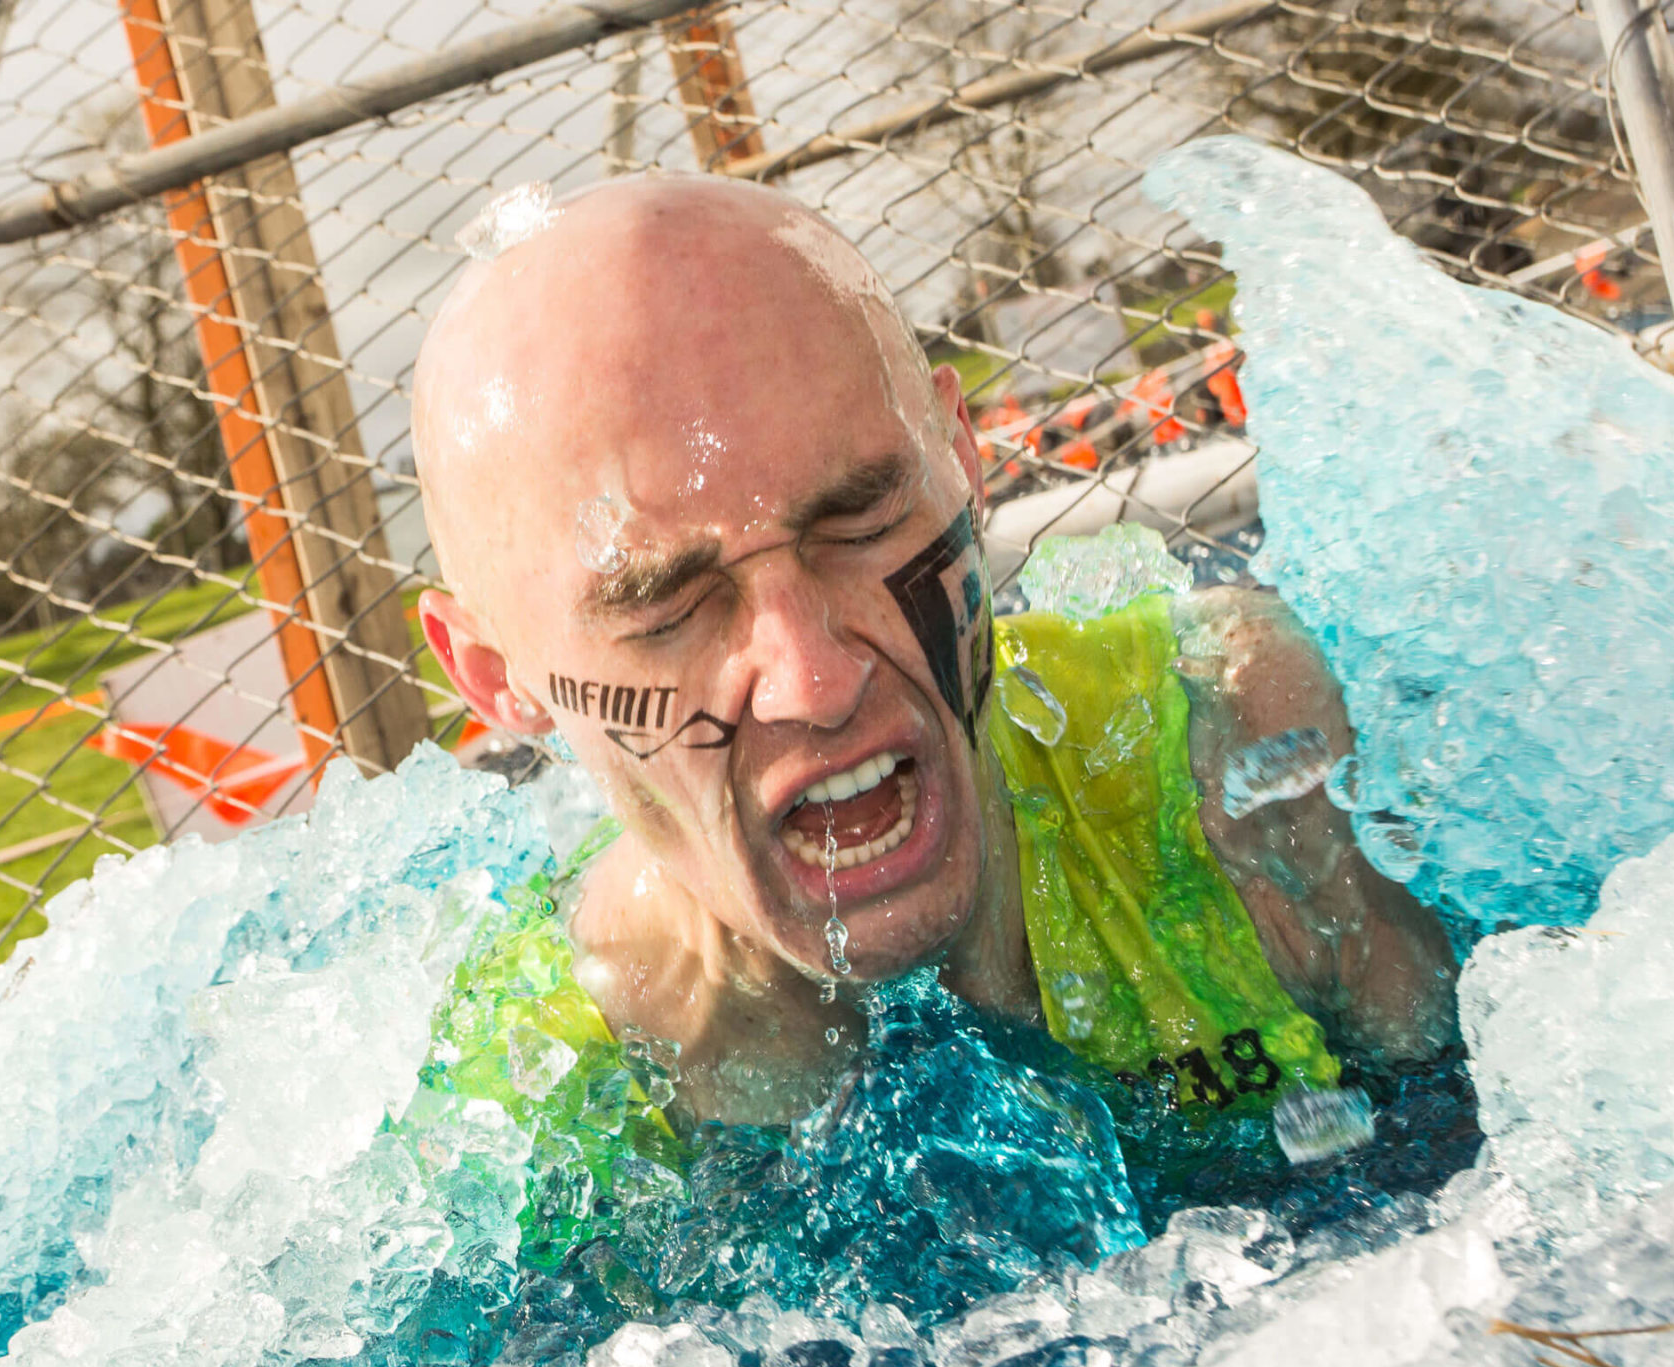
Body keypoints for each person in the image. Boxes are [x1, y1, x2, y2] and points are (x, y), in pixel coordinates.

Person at [409, 175, 1456, 1241]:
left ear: (960, 458)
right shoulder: (543, 1100)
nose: (814, 680)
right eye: (669, 605)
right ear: (495, 675)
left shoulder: (1236, 762)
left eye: (859, 523)